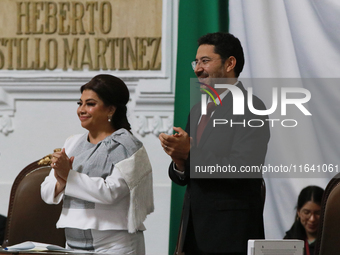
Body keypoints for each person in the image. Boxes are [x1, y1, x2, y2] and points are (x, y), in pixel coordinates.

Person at [159, 32, 270, 255]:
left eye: (205, 61)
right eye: (196, 62)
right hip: (193, 234)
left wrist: (190, 153)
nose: (197, 69)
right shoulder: (198, 109)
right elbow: (185, 175)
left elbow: (243, 168)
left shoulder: (251, 108)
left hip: (230, 235)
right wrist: (179, 161)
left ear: (230, 63)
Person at [41, 74, 154, 254]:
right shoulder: (72, 143)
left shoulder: (127, 145)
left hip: (116, 245)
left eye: (90, 104)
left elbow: (111, 192)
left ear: (110, 109)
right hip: (72, 245)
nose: (82, 110)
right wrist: (62, 181)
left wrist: (68, 176)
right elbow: (46, 193)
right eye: (80, 103)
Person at [284, 185, 324, 255]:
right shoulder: (289, 240)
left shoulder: (334, 241)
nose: (312, 219)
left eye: (317, 213)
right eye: (306, 212)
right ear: (298, 212)